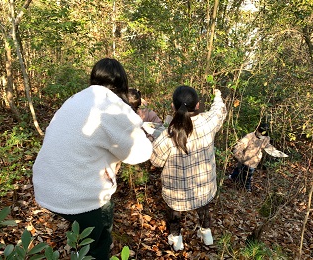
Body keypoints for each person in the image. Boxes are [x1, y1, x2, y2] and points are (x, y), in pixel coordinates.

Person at [32, 58, 153, 260]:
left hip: (47, 184)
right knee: (99, 243)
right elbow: (140, 153)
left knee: (85, 235)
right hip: (78, 194)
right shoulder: (112, 107)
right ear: (122, 83)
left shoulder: (76, 99)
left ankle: (80, 246)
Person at [150, 86, 227, 251]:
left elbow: (155, 161)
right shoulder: (208, 122)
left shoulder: (168, 135)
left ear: (173, 106)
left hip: (177, 193)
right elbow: (219, 110)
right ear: (198, 105)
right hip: (204, 188)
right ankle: (206, 234)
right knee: (204, 205)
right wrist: (217, 94)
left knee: (174, 211)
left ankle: (176, 239)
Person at [229, 123, 285, 192]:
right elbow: (240, 146)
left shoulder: (266, 138)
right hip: (244, 158)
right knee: (239, 169)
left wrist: (276, 153)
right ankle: (234, 178)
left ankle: (246, 188)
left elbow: (267, 146)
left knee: (248, 175)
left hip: (254, 160)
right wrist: (239, 156)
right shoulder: (249, 136)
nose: (262, 135)